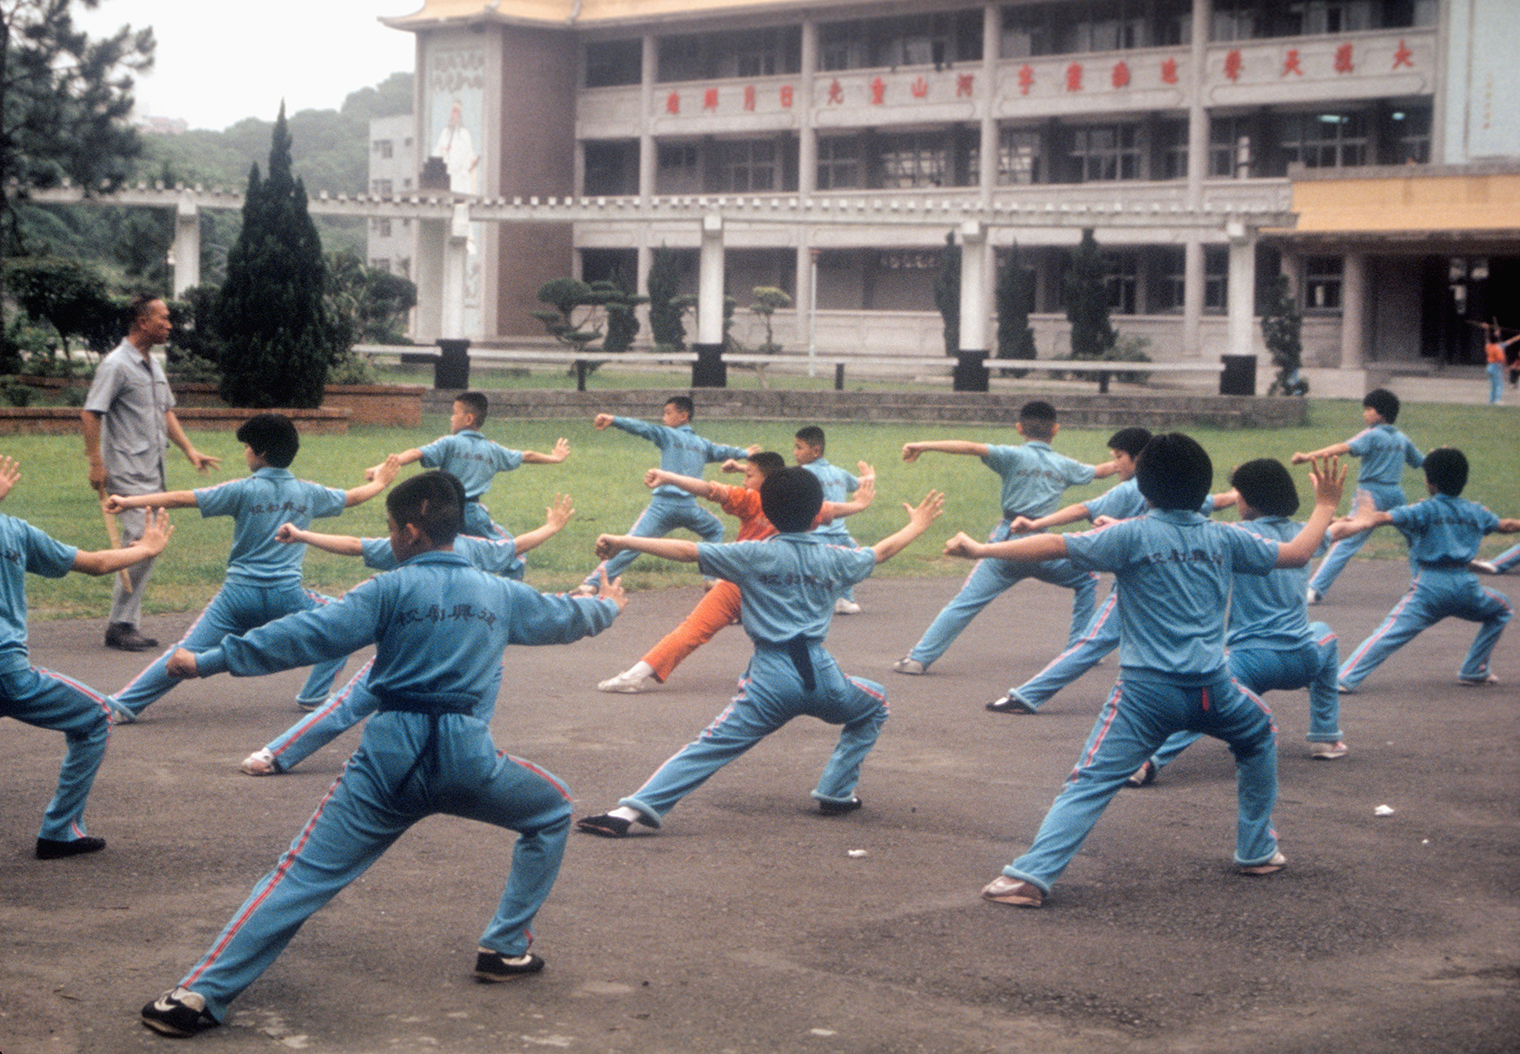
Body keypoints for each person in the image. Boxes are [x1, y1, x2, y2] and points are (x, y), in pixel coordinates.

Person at [138, 472, 624, 1038]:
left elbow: (306, 635)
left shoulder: (387, 589)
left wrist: (207, 660)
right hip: (469, 760)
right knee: (550, 811)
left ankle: (196, 995)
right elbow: (565, 617)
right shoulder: (499, 591)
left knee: (299, 877)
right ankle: (504, 948)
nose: (389, 538)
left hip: (389, 760)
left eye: (391, 528)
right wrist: (608, 608)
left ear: (412, 532)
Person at [942, 436, 1344, 908]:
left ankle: (1029, 876)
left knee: (1091, 780)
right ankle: (1256, 849)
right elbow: (1297, 554)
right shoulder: (1223, 536)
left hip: (1144, 696)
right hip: (1216, 690)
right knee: (1258, 737)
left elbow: (1053, 543)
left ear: (1145, 489)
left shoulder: (1132, 534)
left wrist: (980, 551)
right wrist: (1325, 505)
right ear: (1206, 491)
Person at [575, 469, 943, 837]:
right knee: (875, 703)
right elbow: (883, 551)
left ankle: (627, 813)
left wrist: (625, 541)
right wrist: (919, 524)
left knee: (711, 746)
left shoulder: (754, 554)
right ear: (819, 512)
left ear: (765, 510)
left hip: (770, 680)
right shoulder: (837, 557)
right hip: (823, 675)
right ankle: (836, 791)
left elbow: (687, 551)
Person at [239, 493, 576, 776]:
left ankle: (275, 754)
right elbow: (518, 545)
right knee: (472, 705)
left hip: (418, 648)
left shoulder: (430, 543)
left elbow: (355, 545)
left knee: (354, 703)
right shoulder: (459, 547)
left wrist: (302, 535)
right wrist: (551, 526)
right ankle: (278, 753)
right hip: (455, 651)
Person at [103, 414, 399, 724]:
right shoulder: (308, 492)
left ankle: (123, 705)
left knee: (183, 652)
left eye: (247, 447)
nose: (245, 452)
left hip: (235, 599)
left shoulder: (243, 489)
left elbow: (181, 498)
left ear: (262, 454)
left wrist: (129, 501)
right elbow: (353, 497)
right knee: (341, 626)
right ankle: (314, 695)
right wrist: (381, 481)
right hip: (287, 597)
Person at [982, 427, 1235, 714]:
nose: (1115, 464)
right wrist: (1248, 489)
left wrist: (1026, 529)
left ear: (1141, 459)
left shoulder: (1130, 489)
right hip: (1178, 584)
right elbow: (1219, 503)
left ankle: (1027, 696)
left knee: (1094, 641)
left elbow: (1081, 511)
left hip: (1136, 585)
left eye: (1119, 457)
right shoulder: (1190, 502)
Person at [1131, 458, 1349, 789]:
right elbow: (1334, 531)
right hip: (1302, 658)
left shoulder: (1234, 536)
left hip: (1249, 663)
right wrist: (1356, 514)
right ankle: (1326, 737)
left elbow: (1185, 537)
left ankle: (1151, 760)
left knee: (1201, 702)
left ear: (1249, 499)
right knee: (1326, 636)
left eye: (1238, 494)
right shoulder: (1304, 533)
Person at [0, 455, 174, 859]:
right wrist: (146, 548)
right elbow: (96, 564)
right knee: (96, 717)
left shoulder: (15, 532)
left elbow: (96, 563)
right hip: (10, 675)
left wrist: (143, 549)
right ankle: (59, 832)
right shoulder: (12, 530)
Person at [596, 453, 875, 694]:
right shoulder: (802, 505)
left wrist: (668, 476)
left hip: (740, 581)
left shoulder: (752, 500)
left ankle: (634, 676)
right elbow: (833, 510)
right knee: (796, 634)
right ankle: (808, 680)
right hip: (777, 586)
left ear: (768, 481)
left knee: (694, 629)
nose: (744, 480)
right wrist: (861, 505)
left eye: (749, 475)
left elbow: (707, 490)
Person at [890, 401, 1117, 676]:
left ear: (1019, 428)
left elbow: (972, 447)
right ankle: (1081, 649)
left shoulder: (1012, 455)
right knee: (1087, 578)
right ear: (1056, 429)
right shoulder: (1065, 465)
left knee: (966, 601)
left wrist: (923, 444)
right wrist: (1138, 458)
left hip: (1006, 543)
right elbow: (1104, 470)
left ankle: (918, 659)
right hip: (1042, 547)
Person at [82, 293, 220, 651]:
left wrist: (190, 450)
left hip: (152, 471)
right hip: (126, 470)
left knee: (148, 545)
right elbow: (90, 413)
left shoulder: (151, 364)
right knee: (143, 544)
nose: (169, 325)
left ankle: (127, 622)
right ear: (143, 322)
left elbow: (166, 412)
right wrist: (96, 463)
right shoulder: (116, 364)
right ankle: (121, 623)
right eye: (163, 318)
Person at [1334, 447, 1517, 694]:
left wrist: (1362, 517)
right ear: (1464, 480)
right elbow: (1506, 526)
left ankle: (1344, 677)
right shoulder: (1476, 511)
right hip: (1465, 586)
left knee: (1389, 633)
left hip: (1428, 588)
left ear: (1430, 482)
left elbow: (1384, 518)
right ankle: (1474, 669)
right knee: (1501, 608)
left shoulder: (1424, 509)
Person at [574, 395, 754, 594]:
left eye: (668, 413)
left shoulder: (668, 435)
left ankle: (591, 584)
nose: (663, 417)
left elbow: (644, 428)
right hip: (690, 509)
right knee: (715, 530)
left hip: (662, 507)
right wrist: (745, 453)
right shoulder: (702, 444)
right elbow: (723, 451)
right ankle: (711, 579)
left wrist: (615, 420)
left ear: (683, 416)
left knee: (631, 543)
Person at [367, 390, 569, 543]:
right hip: (472, 513)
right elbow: (528, 455)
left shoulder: (449, 442)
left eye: (454, 413)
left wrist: (382, 467)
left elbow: (415, 453)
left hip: (443, 511)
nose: (451, 418)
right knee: (512, 551)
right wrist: (555, 458)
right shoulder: (493, 450)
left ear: (469, 418)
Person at [1292, 388, 1423, 605]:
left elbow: (1342, 448)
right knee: (1417, 536)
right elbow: (1420, 462)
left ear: (1380, 414)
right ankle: (1422, 585)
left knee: (1347, 540)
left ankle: (1314, 589)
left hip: (1369, 495)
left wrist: (1308, 456)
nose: (1365, 414)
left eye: (1368, 409)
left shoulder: (1371, 434)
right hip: (1395, 493)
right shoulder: (1402, 438)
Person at [794, 425, 866, 614]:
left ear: (815, 450)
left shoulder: (804, 472)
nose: (795, 453)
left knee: (808, 569)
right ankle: (844, 599)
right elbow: (858, 484)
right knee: (847, 562)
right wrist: (868, 476)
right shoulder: (839, 472)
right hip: (840, 535)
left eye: (799, 447)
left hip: (816, 535)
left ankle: (812, 600)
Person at [1482, 323, 1520, 405]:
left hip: (1489, 367)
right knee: (1499, 384)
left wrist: (1486, 329)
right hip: (1495, 366)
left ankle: (1491, 401)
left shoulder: (1488, 346)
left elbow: (1487, 338)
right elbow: (1511, 341)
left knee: (1493, 385)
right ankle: (1497, 400)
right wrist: (1506, 368)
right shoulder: (1498, 347)